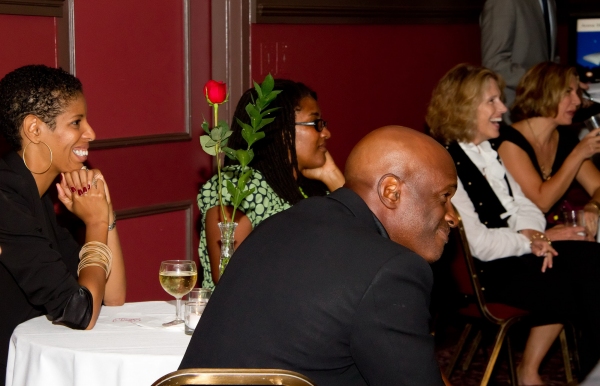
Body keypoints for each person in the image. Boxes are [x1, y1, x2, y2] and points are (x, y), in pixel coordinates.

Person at [181, 126, 457, 385]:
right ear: (391, 191)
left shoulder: (281, 224)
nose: (451, 216)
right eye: (445, 196)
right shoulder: (392, 269)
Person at [427, 63, 600, 383]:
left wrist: (536, 235)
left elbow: (524, 204)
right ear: (464, 108)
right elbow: (478, 243)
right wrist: (532, 241)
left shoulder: (488, 149)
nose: (503, 109)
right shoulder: (445, 164)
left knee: (591, 269)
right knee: (590, 279)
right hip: (491, 273)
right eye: (492, 101)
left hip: (519, 258)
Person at [0, 65, 126, 384]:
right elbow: (80, 311)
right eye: (76, 122)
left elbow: (110, 297)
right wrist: (95, 223)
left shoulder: (36, 197)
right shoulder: (6, 201)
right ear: (34, 129)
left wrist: (106, 218)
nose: (91, 133)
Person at [198, 79, 344, 289]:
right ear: (283, 131)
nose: (326, 133)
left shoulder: (307, 188)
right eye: (316, 123)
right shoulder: (237, 187)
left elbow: (362, 245)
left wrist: (333, 177)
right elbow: (231, 280)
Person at [497, 62, 600, 236]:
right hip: (516, 240)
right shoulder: (510, 141)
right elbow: (542, 202)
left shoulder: (565, 138)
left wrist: (594, 206)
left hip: (554, 235)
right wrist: (578, 154)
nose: (577, 101)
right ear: (543, 93)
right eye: (568, 92)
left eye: (577, 92)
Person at [481, 0, 558, 110]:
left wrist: (566, 84)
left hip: (542, 108)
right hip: (513, 107)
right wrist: (547, 84)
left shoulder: (550, 2)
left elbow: (551, 55)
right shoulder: (503, 2)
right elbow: (494, 63)